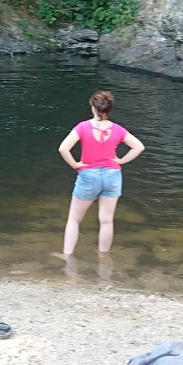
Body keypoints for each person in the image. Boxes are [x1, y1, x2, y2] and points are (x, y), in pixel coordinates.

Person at [53, 91, 145, 258]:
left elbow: (63, 149)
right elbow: (139, 147)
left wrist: (75, 164)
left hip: (89, 175)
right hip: (112, 175)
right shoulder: (117, 129)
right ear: (108, 109)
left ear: (93, 108)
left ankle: (67, 256)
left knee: (74, 219)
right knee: (106, 220)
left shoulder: (83, 127)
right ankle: (104, 259)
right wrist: (121, 161)